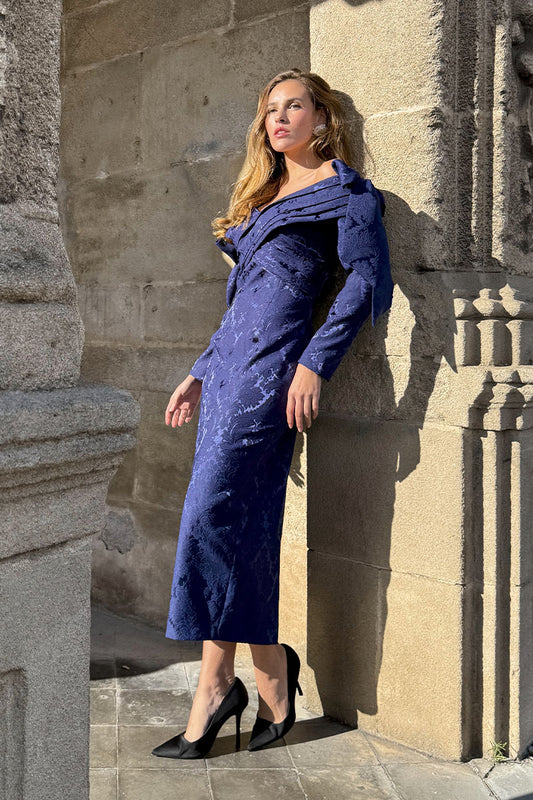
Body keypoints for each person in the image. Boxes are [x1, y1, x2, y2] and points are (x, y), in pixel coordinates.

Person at [151, 68, 393, 760]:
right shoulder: (258, 202)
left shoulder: (345, 193)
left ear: (322, 119)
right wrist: (199, 370)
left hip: (271, 382)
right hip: (228, 376)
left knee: (211, 517)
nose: (278, 118)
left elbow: (365, 282)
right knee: (233, 525)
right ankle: (262, 673)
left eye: (293, 107)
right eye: (269, 110)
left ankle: (221, 684)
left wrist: (315, 363)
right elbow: (241, 307)